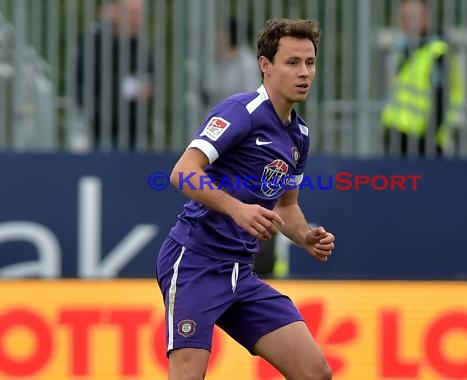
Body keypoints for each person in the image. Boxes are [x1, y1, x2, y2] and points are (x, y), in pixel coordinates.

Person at [156, 18, 335, 380]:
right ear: (265, 66)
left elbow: (287, 206)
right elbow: (183, 171)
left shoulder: (299, 136)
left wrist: (305, 237)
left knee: (315, 372)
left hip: (241, 273)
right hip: (195, 262)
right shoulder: (241, 112)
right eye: (292, 63)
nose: (304, 73)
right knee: (187, 375)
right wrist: (235, 209)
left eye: (310, 63)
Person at [380, 0, 465, 157]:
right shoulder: (408, 50)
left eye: (412, 16)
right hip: (398, 139)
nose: (406, 22)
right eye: (404, 16)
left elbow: (442, 98)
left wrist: (429, 138)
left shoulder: (437, 51)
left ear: (426, 16)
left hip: (422, 144)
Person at [75, 0, 153, 150]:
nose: (138, 19)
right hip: (101, 130)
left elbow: (151, 80)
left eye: (140, 14)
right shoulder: (95, 44)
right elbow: (85, 85)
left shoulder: (142, 48)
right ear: (116, 13)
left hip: (136, 130)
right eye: (133, 13)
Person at [203, 17, 261, 108]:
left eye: (218, 33)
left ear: (228, 36)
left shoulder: (247, 64)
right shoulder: (215, 61)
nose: (213, 38)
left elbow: (251, 99)